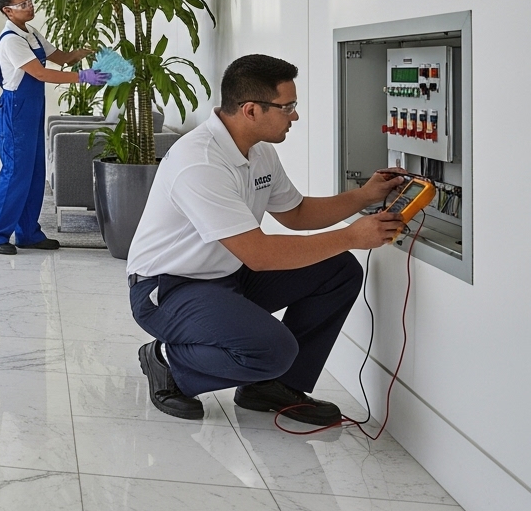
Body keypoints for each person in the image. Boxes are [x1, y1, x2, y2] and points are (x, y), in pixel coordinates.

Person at [127, 54, 406, 425]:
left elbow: (297, 213)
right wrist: (351, 235)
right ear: (251, 110)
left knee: (338, 270)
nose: (295, 116)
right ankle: (166, 361)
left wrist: (364, 196)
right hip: (168, 288)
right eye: (287, 107)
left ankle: (271, 387)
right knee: (272, 349)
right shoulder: (200, 162)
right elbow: (258, 254)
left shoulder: (260, 152)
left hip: (227, 275)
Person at [0, 0, 109, 255]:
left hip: (32, 109)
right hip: (15, 110)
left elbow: (61, 58)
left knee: (35, 172)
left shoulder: (31, 33)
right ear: (7, 11)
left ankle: (28, 233)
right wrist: (83, 77)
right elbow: (40, 73)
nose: (30, 6)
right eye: (23, 4)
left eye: (29, 0)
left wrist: (86, 52)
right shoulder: (11, 39)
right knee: (15, 173)